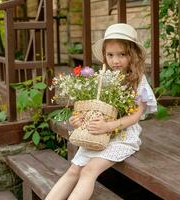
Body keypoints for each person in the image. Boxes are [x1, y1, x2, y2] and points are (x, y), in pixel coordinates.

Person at [45, 23, 157, 200]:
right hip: (98, 134)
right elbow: (93, 106)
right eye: (110, 55)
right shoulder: (103, 78)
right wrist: (80, 118)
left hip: (122, 136)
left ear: (133, 55)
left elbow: (135, 116)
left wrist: (109, 126)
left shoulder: (138, 81)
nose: (115, 60)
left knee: (89, 170)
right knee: (73, 170)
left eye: (122, 54)